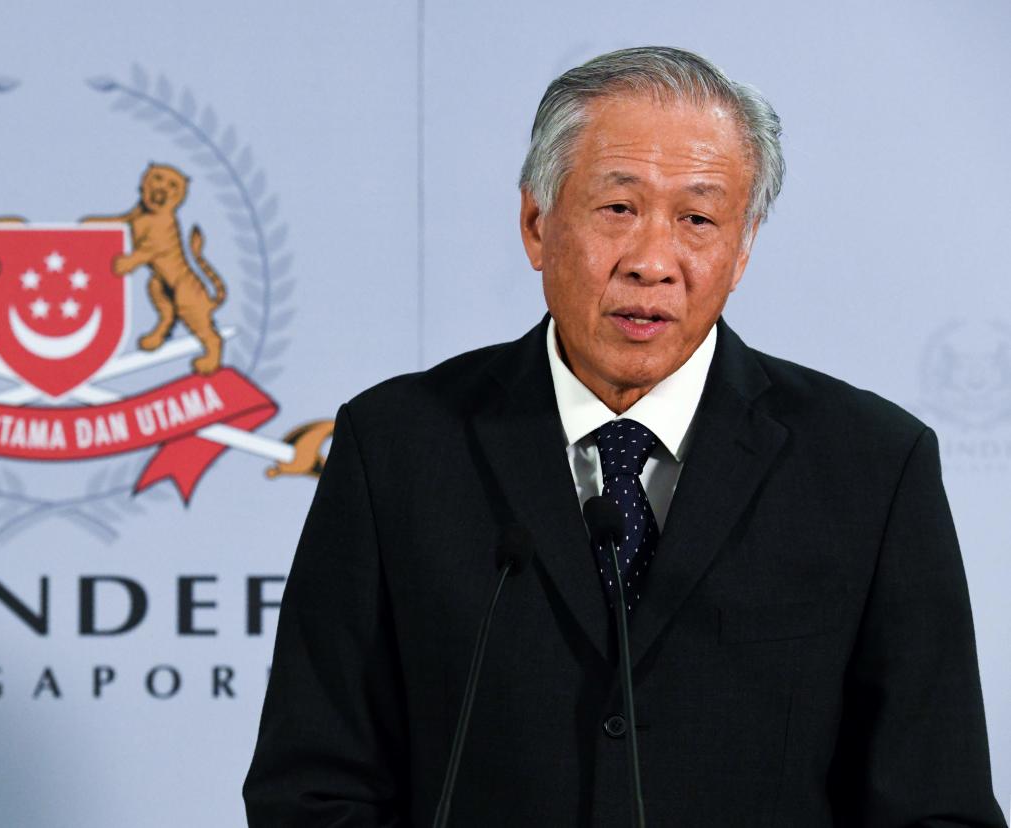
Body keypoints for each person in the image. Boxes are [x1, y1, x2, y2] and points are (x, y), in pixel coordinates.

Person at [244, 46, 1006, 827]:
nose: (650, 262)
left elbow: (936, 807)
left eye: (698, 219)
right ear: (536, 225)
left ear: (741, 252)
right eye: (617, 208)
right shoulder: (398, 447)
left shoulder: (870, 467)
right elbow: (311, 789)